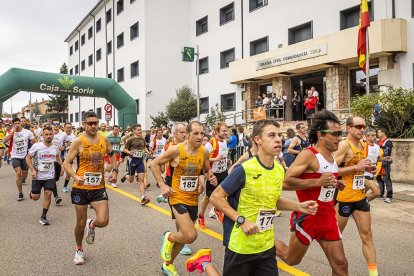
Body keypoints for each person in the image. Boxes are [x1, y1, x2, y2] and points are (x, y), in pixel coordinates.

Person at [210, 119, 318, 276]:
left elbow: (271, 200)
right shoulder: (245, 168)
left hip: (266, 247)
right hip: (241, 247)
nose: (278, 139)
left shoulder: (279, 170)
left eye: (279, 135)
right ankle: (205, 264)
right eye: (271, 135)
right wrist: (242, 220)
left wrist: (299, 206)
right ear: (257, 140)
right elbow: (216, 197)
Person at [275, 110, 348, 275]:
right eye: (335, 134)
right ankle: (265, 245)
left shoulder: (331, 155)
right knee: (291, 259)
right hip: (308, 216)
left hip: (327, 216)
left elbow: (323, 181)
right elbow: (285, 182)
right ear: (321, 135)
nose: (339, 138)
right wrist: (318, 181)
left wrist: (334, 184)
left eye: (341, 133)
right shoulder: (308, 155)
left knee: (341, 265)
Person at [151, 121, 217, 276]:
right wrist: (162, 185)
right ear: (187, 135)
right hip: (177, 196)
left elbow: (206, 170)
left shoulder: (204, 152)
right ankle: (169, 237)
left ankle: (167, 264)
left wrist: (211, 177)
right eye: (196, 133)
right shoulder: (176, 150)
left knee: (184, 237)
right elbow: (154, 164)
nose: (200, 136)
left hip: (193, 198)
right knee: (190, 235)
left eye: (202, 133)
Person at [63, 111, 118, 265]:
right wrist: (75, 177)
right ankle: (79, 249)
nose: (93, 126)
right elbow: (66, 163)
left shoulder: (103, 139)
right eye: (90, 123)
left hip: (98, 187)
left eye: (95, 122)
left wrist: (114, 170)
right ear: (84, 124)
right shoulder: (78, 141)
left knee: (104, 220)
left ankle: (92, 224)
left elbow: (112, 154)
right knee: (80, 223)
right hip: (80, 188)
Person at [334, 116, 379, 276]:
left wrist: (367, 169)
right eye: (358, 127)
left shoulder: (361, 144)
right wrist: (357, 167)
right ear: (348, 128)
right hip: (344, 198)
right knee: (335, 238)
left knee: (367, 235)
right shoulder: (343, 146)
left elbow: (357, 167)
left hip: (360, 197)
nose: (362, 130)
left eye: (364, 127)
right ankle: (337, 270)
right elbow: (331, 170)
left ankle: (374, 274)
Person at [26, 126, 63, 225]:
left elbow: (58, 157)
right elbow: (28, 158)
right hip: (37, 176)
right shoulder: (36, 146)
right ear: (43, 135)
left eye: (50, 134)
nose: (48, 136)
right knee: (35, 197)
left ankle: (43, 217)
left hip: (49, 176)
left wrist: (61, 166)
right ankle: (32, 193)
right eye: (46, 134)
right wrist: (33, 170)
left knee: (48, 194)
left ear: (53, 135)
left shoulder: (55, 147)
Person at [197, 122, 229, 229]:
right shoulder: (211, 143)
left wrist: (226, 160)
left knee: (225, 193)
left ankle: (217, 209)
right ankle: (200, 217)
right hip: (212, 173)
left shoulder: (224, 141)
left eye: (226, 130)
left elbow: (222, 155)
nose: (226, 133)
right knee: (207, 198)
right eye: (224, 131)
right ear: (216, 132)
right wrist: (214, 159)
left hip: (223, 172)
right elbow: (201, 157)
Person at [3, 117, 36, 201]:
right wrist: (12, 133)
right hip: (15, 156)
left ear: (21, 123)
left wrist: (35, 144)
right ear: (13, 125)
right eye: (15, 123)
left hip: (25, 156)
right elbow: (3, 141)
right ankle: (20, 193)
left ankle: (23, 179)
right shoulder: (11, 132)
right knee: (18, 173)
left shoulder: (27, 132)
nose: (17, 125)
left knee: (24, 175)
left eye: (18, 123)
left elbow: (33, 141)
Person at [122, 124, 150, 205]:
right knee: (131, 180)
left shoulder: (142, 139)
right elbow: (123, 149)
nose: (140, 131)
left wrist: (145, 151)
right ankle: (126, 176)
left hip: (140, 160)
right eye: (138, 130)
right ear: (134, 131)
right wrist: (129, 152)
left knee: (141, 179)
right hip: (132, 161)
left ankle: (143, 197)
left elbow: (144, 148)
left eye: (140, 130)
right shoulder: (130, 139)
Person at [363, 128, 383, 202]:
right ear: (367, 136)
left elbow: (377, 158)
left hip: (372, 173)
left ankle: (358, 206)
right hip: (363, 173)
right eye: (372, 135)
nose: (374, 137)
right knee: (377, 192)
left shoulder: (377, 147)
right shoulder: (363, 145)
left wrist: (385, 159)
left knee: (361, 194)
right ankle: (361, 204)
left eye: (375, 135)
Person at [376, 127, 393, 202]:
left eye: (379, 132)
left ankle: (389, 196)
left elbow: (388, 153)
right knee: (379, 178)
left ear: (383, 132)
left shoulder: (388, 142)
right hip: (379, 163)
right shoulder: (379, 141)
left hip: (385, 163)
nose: (378, 134)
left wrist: (379, 147)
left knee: (386, 179)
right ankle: (381, 194)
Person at [62, 122, 77, 193]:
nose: (69, 129)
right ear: (64, 128)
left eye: (70, 128)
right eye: (67, 128)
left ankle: (65, 186)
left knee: (68, 173)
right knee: (60, 173)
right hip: (60, 157)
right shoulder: (60, 135)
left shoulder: (74, 137)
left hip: (69, 157)